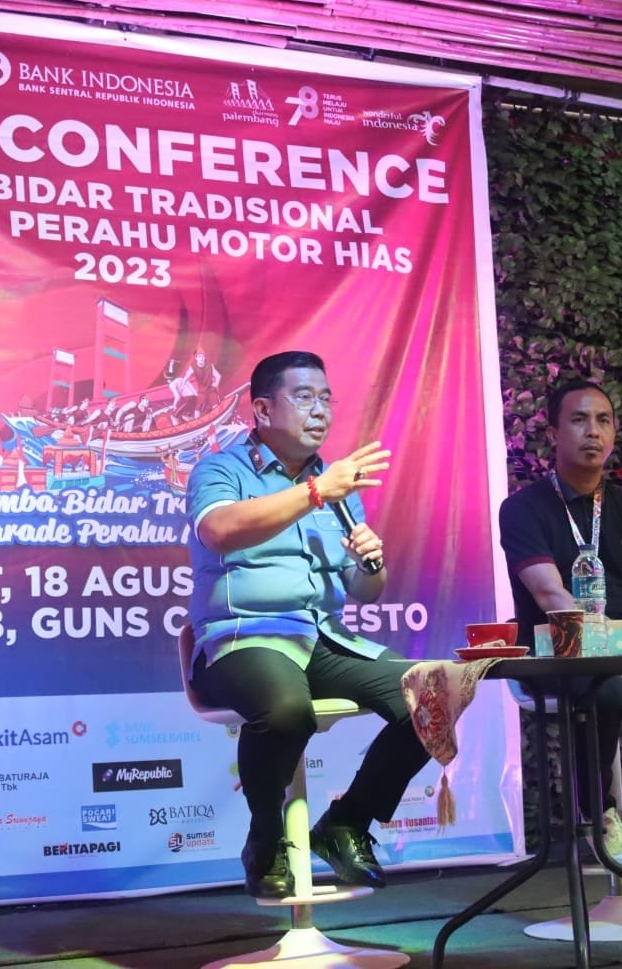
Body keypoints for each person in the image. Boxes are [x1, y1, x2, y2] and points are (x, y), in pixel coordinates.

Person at [184, 350, 428, 898]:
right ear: (263, 409)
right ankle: (266, 840)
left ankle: (347, 823)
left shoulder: (335, 488)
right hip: (241, 637)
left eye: (325, 399)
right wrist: (316, 492)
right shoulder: (222, 469)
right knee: (286, 711)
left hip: (320, 637)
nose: (319, 411)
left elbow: (365, 590)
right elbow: (219, 530)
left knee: (431, 694)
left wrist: (370, 563)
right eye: (303, 397)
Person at [498, 377, 622, 869]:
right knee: (602, 689)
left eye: (603, 420)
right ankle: (601, 815)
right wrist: (600, 642)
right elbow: (549, 594)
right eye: (580, 420)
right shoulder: (522, 508)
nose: (593, 431)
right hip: (557, 645)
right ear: (553, 433)